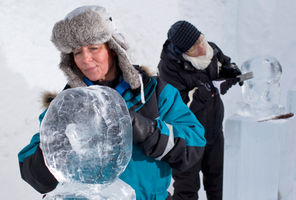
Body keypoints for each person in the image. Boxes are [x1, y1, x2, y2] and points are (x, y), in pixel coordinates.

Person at [17, 6, 206, 200]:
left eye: (93, 48)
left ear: (113, 49)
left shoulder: (155, 94)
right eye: (77, 52)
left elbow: (194, 147)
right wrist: (60, 147)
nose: (85, 59)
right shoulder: (65, 108)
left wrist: (146, 130)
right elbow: (31, 173)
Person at [158, 20, 243, 200]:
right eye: (194, 48)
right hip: (187, 139)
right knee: (187, 189)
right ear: (182, 52)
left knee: (218, 183)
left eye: (200, 40)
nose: (202, 48)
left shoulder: (210, 49)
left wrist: (231, 71)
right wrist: (199, 97)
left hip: (213, 130)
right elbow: (174, 108)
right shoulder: (169, 68)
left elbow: (223, 63)